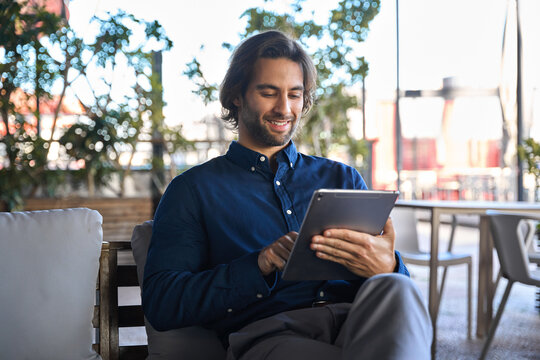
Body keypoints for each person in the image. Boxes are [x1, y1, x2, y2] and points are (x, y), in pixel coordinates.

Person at [142, 30, 432, 360]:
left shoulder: (342, 177)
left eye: (295, 94)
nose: (284, 108)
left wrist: (389, 266)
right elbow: (162, 303)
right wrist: (259, 264)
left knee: (398, 287)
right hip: (273, 337)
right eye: (269, 93)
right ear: (237, 95)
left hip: (360, 324)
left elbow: (397, 303)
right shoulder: (193, 190)